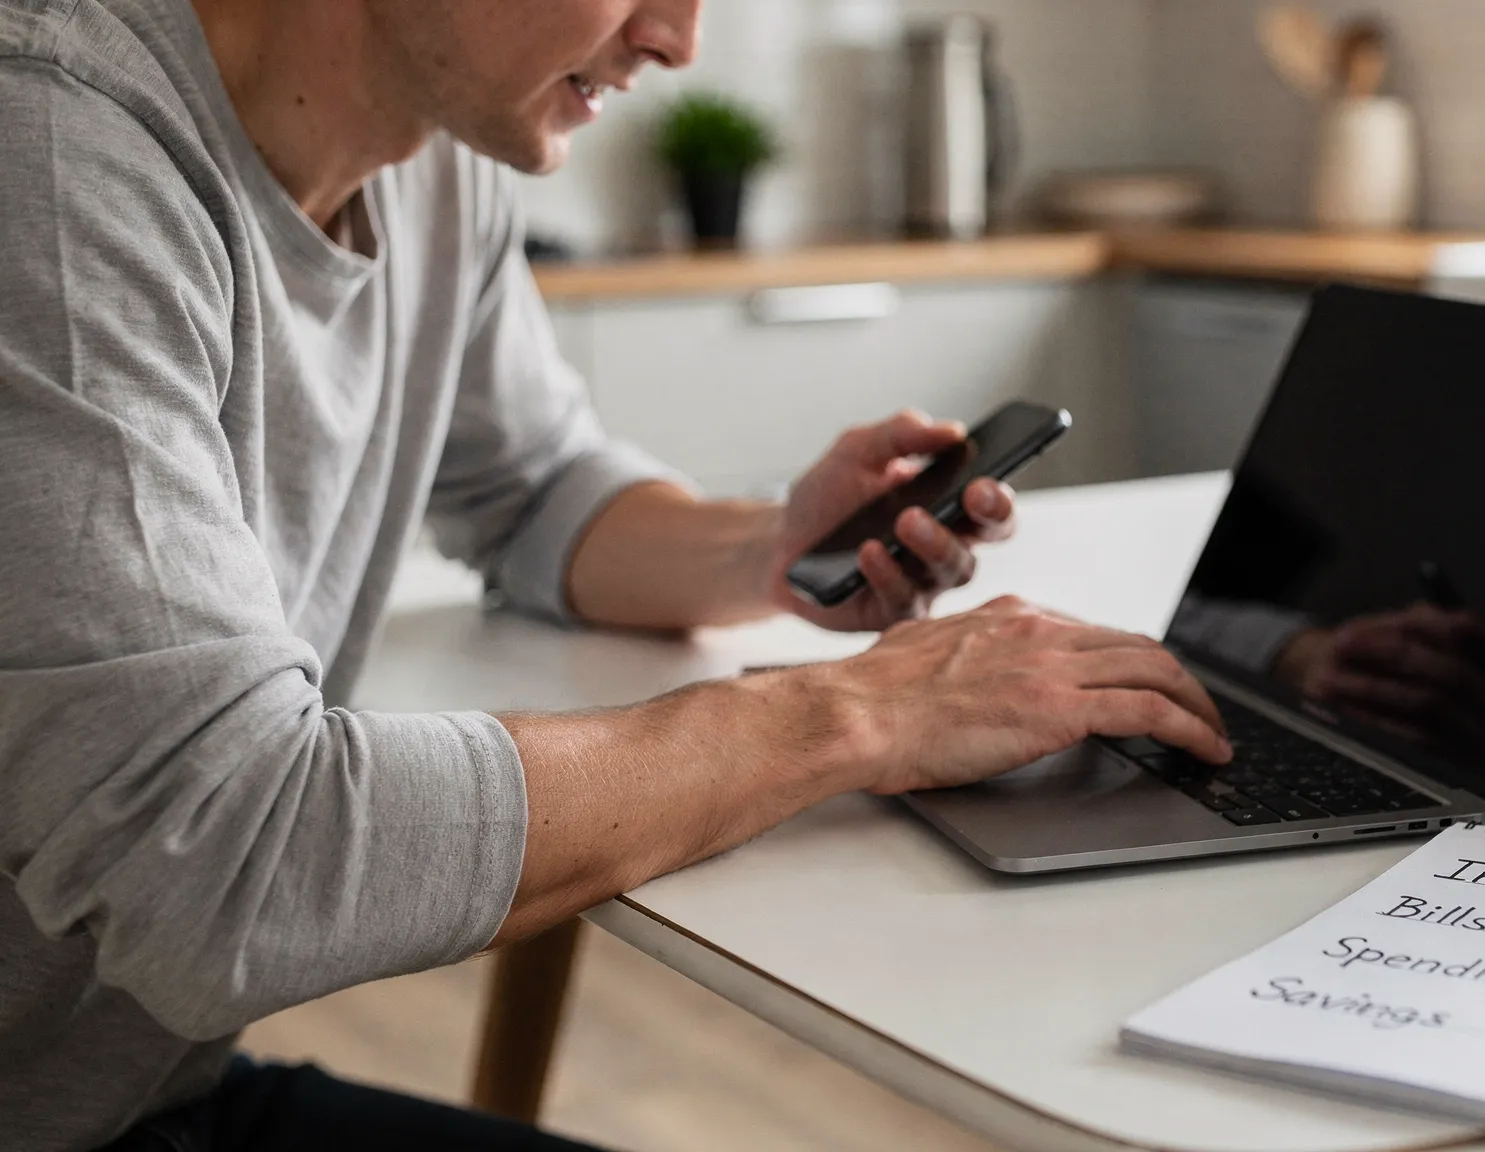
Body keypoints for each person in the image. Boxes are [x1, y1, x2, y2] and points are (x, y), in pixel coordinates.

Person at [0, 1, 1233, 1148]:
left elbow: (532, 487)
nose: (677, 39)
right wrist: (861, 711)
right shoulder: (51, 162)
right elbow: (222, 854)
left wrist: (767, 554)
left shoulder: (434, 160)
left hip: (147, 1094)